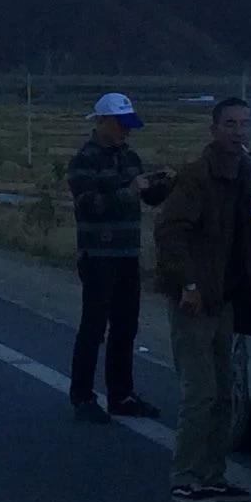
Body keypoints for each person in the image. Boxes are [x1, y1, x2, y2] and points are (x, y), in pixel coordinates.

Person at [150, 95, 251, 502]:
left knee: (223, 393)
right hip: (196, 301)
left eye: (244, 124)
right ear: (214, 129)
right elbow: (170, 232)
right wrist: (188, 285)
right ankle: (185, 477)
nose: (238, 131)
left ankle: (212, 476)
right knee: (200, 392)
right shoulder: (196, 176)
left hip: (224, 299)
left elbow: (243, 225)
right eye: (230, 124)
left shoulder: (240, 173)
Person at [64, 92, 168, 420]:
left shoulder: (130, 157)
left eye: (128, 124)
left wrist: (163, 185)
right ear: (102, 121)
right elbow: (88, 206)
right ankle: (82, 397)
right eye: (121, 124)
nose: (126, 130)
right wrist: (130, 191)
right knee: (94, 327)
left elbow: (147, 199)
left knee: (126, 326)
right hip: (97, 254)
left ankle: (121, 395)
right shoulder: (84, 160)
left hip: (126, 254)